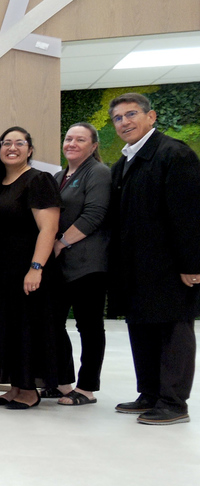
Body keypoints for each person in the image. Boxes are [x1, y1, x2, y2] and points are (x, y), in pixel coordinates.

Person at [108, 92, 200, 425]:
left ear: (152, 116)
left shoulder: (174, 154)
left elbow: (189, 214)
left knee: (173, 331)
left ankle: (174, 403)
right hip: (135, 267)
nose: (124, 123)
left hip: (170, 267)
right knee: (142, 330)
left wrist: (192, 265)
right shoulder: (124, 163)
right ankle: (149, 394)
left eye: (131, 115)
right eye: (118, 118)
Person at [0, 126, 61, 409]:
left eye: (19, 143)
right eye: (6, 143)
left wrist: (36, 267)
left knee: (26, 327)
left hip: (24, 270)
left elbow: (49, 228)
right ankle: (14, 387)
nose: (12, 147)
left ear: (29, 150)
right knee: (3, 327)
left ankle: (30, 390)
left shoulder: (38, 180)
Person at [49, 123, 110, 406]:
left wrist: (60, 242)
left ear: (93, 145)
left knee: (89, 326)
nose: (72, 143)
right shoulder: (60, 175)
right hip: (61, 267)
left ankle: (86, 388)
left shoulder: (98, 173)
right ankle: (62, 382)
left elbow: (94, 215)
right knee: (53, 323)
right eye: (69, 138)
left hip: (89, 264)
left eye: (80, 139)